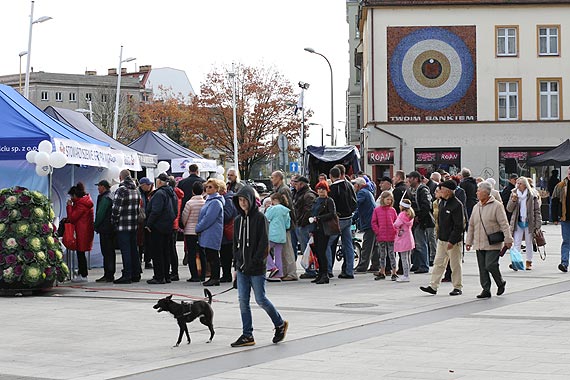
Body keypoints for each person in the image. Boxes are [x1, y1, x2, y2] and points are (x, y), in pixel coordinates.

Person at [230, 185, 288, 347]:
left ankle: (279, 323)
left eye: (244, 200)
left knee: (260, 299)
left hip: (256, 268)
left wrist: (255, 261)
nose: (242, 203)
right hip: (242, 268)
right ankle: (247, 334)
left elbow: (263, 245)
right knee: (243, 301)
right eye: (240, 200)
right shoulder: (238, 220)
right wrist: (237, 265)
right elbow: (236, 245)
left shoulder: (260, 219)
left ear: (250, 200)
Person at [466, 181, 513, 298]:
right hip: (479, 241)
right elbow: (471, 225)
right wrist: (468, 241)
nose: (476, 193)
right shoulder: (476, 207)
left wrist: (508, 239)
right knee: (482, 267)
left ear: (486, 193)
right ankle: (485, 289)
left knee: (490, 265)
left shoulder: (497, 205)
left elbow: (504, 223)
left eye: (478, 191)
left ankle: (500, 282)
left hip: (493, 241)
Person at [419, 180, 465, 296]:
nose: (440, 191)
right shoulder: (441, 203)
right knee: (438, 263)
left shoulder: (457, 204)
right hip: (442, 239)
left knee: (455, 265)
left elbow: (459, 225)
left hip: (453, 241)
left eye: (442, 189)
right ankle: (433, 286)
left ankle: (457, 287)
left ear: (448, 191)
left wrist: (452, 240)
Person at [145, 173, 178, 284]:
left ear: (159, 182)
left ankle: (159, 276)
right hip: (168, 226)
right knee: (166, 252)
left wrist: (149, 224)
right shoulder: (172, 193)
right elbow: (175, 210)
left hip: (158, 227)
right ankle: (166, 276)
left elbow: (156, 211)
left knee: (157, 252)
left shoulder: (159, 194)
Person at [112, 170, 141, 284]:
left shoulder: (121, 190)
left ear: (120, 177)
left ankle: (127, 274)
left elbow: (116, 208)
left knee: (126, 251)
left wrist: (114, 221)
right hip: (133, 224)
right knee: (134, 249)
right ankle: (136, 273)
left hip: (123, 225)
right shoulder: (135, 190)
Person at [507, 176, 542, 270]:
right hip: (518, 222)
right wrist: (513, 200)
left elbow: (537, 210)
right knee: (517, 243)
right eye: (517, 183)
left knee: (529, 242)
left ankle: (529, 262)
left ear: (525, 185)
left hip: (529, 222)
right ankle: (516, 262)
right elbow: (509, 209)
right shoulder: (514, 194)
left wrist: (538, 224)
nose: (517, 185)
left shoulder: (532, 195)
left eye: (520, 184)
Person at [329, 166, 357, 279]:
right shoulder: (349, 185)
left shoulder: (333, 188)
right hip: (348, 218)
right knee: (348, 244)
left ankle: (327, 270)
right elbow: (354, 202)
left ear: (331, 176)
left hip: (337, 220)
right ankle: (349, 270)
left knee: (328, 244)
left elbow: (331, 206)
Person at [195, 178, 225, 286]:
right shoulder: (209, 200)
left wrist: (198, 227)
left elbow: (208, 218)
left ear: (216, 189)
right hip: (207, 232)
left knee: (213, 255)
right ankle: (213, 276)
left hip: (212, 232)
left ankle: (215, 277)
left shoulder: (215, 202)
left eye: (210, 187)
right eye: (206, 187)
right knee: (210, 255)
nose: (207, 189)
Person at [270, 170, 297, 281]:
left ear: (279, 178)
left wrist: (288, 223)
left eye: (273, 177)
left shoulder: (283, 190)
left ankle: (291, 273)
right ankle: (284, 272)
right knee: (283, 250)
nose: (271, 180)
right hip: (281, 224)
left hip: (283, 224)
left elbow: (288, 206)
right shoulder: (279, 189)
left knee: (287, 250)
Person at [405, 171, 434, 274]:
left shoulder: (423, 190)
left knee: (421, 243)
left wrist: (419, 216)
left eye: (411, 179)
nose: (409, 180)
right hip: (417, 219)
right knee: (416, 243)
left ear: (416, 179)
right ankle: (417, 263)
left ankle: (423, 265)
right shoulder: (416, 190)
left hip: (422, 220)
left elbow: (426, 206)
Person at [309, 180, 337, 284]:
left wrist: (319, 218)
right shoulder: (316, 201)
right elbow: (312, 213)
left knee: (322, 251)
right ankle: (320, 273)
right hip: (316, 228)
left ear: (327, 190)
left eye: (323, 189)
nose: (321, 191)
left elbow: (332, 214)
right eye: (319, 189)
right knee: (317, 252)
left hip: (325, 229)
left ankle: (325, 274)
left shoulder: (329, 201)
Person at [66, 182, 95, 283]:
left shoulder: (81, 204)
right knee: (81, 252)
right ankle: (82, 273)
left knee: (80, 253)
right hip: (85, 230)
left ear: (74, 195)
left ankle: (83, 275)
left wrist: (69, 206)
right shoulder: (85, 201)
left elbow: (72, 218)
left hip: (82, 230)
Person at [353, 177, 380, 273]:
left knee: (367, 244)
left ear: (359, 185)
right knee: (374, 245)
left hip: (369, 222)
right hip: (373, 221)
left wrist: (353, 217)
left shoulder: (361, 193)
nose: (354, 186)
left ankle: (362, 266)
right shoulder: (368, 191)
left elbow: (357, 205)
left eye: (355, 184)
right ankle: (376, 265)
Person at [181, 181, 206, 282]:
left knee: (191, 253)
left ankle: (194, 275)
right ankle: (203, 274)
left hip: (190, 231)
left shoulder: (189, 203)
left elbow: (184, 217)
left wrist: (185, 225)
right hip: (202, 231)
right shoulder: (205, 202)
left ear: (192, 191)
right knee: (202, 253)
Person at [293, 176, 318, 279]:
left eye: (296, 183)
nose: (295, 185)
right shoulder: (301, 193)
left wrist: (302, 222)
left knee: (307, 249)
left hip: (305, 226)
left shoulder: (308, 195)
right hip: (302, 224)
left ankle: (311, 270)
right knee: (306, 248)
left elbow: (309, 211)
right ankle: (310, 269)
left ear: (302, 184)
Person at [371, 191, 398, 281]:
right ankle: (382, 271)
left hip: (391, 235)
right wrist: (377, 231)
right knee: (382, 254)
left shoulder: (392, 210)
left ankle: (394, 271)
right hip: (381, 235)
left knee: (392, 254)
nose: (389, 201)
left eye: (390, 200)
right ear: (383, 199)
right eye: (387, 199)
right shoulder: (377, 210)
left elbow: (396, 221)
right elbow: (374, 222)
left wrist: (395, 230)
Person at [264, 192, 291, 280]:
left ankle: (272, 267)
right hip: (282, 235)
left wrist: (268, 209)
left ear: (275, 200)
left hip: (272, 234)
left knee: (263, 251)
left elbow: (266, 217)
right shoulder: (286, 210)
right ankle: (279, 274)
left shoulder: (274, 209)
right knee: (278, 254)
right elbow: (288, 225)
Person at [94, 180, 115, 283]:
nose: (98, 188)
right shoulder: (111, 196)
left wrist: (95, 225)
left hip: (105, 228)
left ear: (103, 187)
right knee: (110, 252)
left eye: (99, 186)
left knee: (107, 252)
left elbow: (100, 214)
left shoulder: (105, 198)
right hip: (110, 228)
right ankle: (109, 273)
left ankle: (108, 274)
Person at [219, 181, 238, 283]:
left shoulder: (228, 199)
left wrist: (218, 214)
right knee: (227, 254)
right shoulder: (230, 198)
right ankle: (227, 275)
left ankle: (227, 275)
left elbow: (227, 214)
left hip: (228, 232)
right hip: (229, 231)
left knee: (226, 254)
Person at [552, 167, 570, 272]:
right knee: (566, 241)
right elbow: (554, 202)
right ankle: (564, 263)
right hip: (565, 218)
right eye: (569, 172)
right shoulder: (560, 186)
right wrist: (554, 218)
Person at [394, 199, 415, 282]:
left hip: (402, 237)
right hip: (409, 236)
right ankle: (407, 274)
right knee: (408, 257)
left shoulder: (402, 215)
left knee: (403, 257)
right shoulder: (410, 214)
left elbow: (396, 224)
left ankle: (405, 275)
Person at [168, 176, 184, 281]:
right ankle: (174, 271)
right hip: (175, 223)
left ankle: (174, 272)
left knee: (171, 250)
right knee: (172, 249)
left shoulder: (171, 195)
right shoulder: (178, 194)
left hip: (171, 223)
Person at [137, 177, 154, 269]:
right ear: (143, 185)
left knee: (147, 242)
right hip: (141, 221)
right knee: (140, 242)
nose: (150, 186)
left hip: (146, 220)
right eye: (148, 185)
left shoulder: (147, 193)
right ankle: (139, 260)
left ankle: (147, 260)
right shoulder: (139, 193)